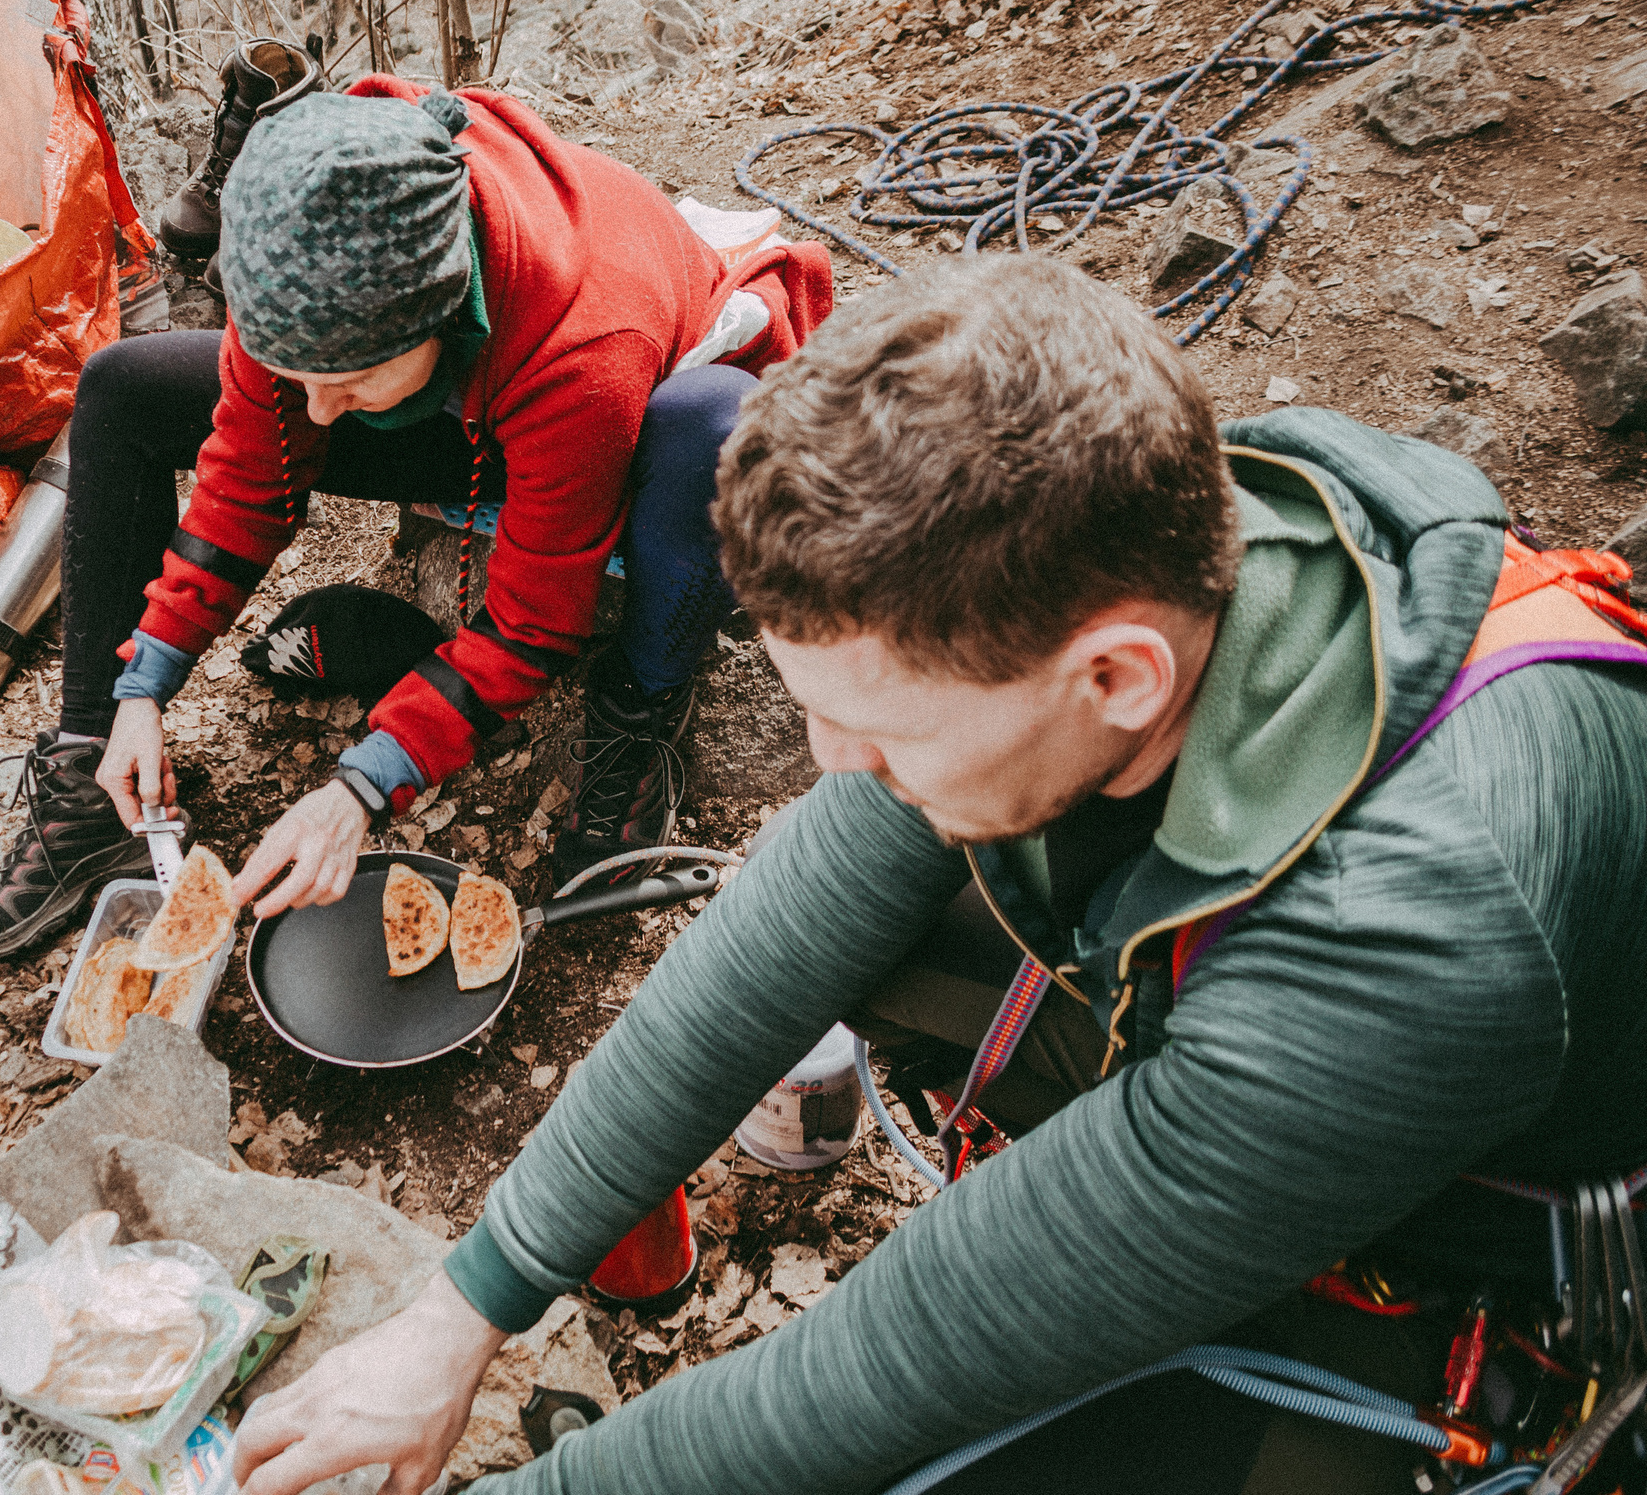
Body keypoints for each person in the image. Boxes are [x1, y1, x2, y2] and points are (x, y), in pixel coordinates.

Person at [224, 253, 1647, 1494]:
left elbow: (904, 1355)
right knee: (862, 896)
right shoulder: (1096, 553)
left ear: (1118, 676)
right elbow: (779, 925)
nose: (833, 761)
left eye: (882, 724)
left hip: (1483, 1237)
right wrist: (462, 1307)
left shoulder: (1418, 937)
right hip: (1264, 1013)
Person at [0, 81, 834, 958]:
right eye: (298, 378)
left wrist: (362, 787)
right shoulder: (297, 251)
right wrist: (141, 687)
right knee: (122, 388)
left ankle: (640, 714)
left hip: (628, 432)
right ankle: (93, 780)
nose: (318, 414)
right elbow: (251, 476)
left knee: (710, 429)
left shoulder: (584, 344)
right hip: (455, 411)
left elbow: (531, 622)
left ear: (441, 314)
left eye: (348, 380)